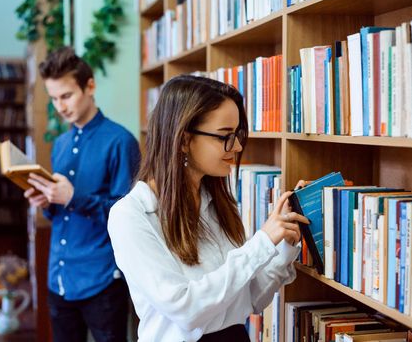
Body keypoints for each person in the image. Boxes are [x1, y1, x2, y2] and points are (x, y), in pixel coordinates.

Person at [108, 75, 309, 341]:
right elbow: (186, 310)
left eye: (238, 135)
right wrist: (262, 242)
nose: (236, 147)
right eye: (225, 136)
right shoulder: (130, 216)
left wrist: (284, 244)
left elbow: (250, 299)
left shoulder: (217, 203)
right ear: (182, 140)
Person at [24, 46, 140, 342]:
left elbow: (130, 219)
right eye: (53, 98)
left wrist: (73, 197)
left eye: (66, 96)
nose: (60, 107)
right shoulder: (61, 144)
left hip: (102, 281)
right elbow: (60, 212)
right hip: (59, 276)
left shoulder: (121, 141)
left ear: (90, 86)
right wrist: (47, 201)